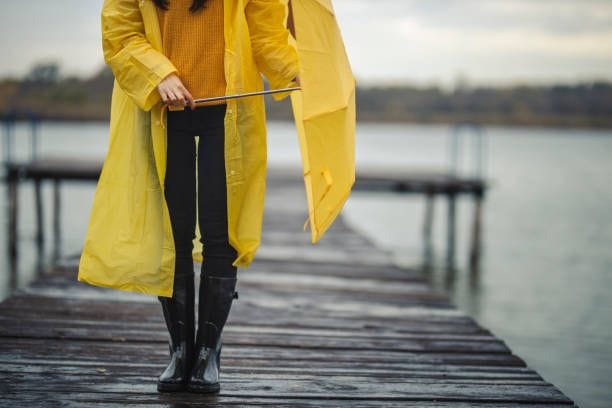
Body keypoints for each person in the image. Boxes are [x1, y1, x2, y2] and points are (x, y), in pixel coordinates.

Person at [95, 0, 300, 394]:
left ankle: (208, 352)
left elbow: (266, 33)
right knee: (172, 234)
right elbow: (119, 34)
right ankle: (179, 351)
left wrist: (295, 69)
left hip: (227, 113)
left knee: (220, 234)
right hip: (161, 111)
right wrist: (159, 74)